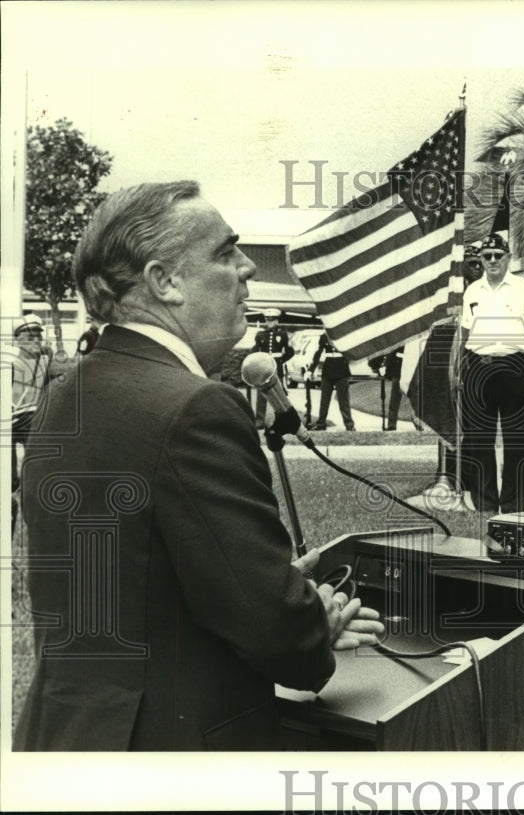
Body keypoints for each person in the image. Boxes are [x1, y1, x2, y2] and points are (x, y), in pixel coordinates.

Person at [15, 181, 383, 751]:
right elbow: (276, 632)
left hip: (66, 738)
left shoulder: (67, 393)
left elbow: (134, 578)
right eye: (224, 251)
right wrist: (311, 619)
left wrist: (267, 580)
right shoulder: (198, 406)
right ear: (165, 281)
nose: (247, 269)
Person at [453, 232, 524, 514]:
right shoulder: (472, 291)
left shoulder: (523, 288)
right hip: (479, 366)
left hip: (515, 365)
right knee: (479, 437)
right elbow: (465, 333)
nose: (492, 261)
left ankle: (514, 504)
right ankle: (485, 502)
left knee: (516, 438)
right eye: (487, 256)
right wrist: (457, 368)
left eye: (498, 256)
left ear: (508, 259)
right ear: (481, 259)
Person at [9, 314, 52, 496]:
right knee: (8, 473)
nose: (36, 340)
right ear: (18, 340)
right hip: (10, 420)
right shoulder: (10, 364)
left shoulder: (46, 361)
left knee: (36, 470)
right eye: (29, 336)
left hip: (33, 419)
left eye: (38, 335)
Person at [252, 307, 293, 428]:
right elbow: (255, 350)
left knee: (279, 396)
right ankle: (259, 421)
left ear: (277, 321)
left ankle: (280, 421)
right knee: (261, 396)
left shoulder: (282, 334)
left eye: (272, 320)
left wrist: (280, 361)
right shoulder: (260, 335)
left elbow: (290, 352)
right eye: (267, 320)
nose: (269, 323)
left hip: (276, 369)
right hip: (264, 369)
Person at [310, 333, 355, 431]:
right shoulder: (324, 336)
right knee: (324, 400)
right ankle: (321, 423)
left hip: (341, 369)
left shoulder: (344, 334)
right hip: (328, 370)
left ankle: (349, 424)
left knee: (343, 400)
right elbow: (318, 352)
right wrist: (311, 369)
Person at [369, 347, 404, 431]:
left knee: (416, 399)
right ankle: (391, 424)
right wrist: (382, 367)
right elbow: (390, 355)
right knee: (394, 400)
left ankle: (418, 422)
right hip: (398, 372)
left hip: (408, 371)